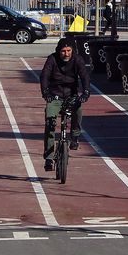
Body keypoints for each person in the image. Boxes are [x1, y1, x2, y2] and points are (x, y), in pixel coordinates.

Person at [40, 38, 90, 171]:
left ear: (72, 50)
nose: (66, 54)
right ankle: (49, 158)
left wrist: (85, 92)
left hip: (71, 95)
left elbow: (84, 76)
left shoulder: (77, 59)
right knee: (50, 122)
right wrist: (45, 92)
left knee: (78, 109)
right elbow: (44, 75)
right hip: (55, 96)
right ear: (58, 51)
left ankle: (75, 137)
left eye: (69, 51)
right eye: (63, 51)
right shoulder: (52, 59)